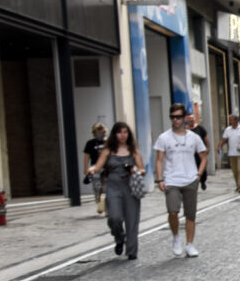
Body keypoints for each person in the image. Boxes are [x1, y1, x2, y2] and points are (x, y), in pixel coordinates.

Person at [154, 103, 207, 257]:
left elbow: (204, 157)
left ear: (184, 118)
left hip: (190, 179)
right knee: (173, 211)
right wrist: (159, 179)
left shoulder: (194, 137)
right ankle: (176, 236)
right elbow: (159, 160)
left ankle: (190, 244)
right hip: (171, 180)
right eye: (172, 117)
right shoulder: (164, 137)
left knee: (191, 215)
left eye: (178, 117)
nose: (175, 120)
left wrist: (198, 175)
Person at [86, 122, 143, 259]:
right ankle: (119, 238)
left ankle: (131, 251)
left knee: (132, 220)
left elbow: (141, 168)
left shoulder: (133, 149)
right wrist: (92, 169)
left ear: (128, 134)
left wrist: (138, 171)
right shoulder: (108, 150)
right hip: (113, 186)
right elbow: (98, 166)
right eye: (119, 132)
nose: (122, 135)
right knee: (114, 217)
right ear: (114, 134)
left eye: (125, 132)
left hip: (130, 186)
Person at [217, 114, 240, 193]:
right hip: (232, 153)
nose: (229, 121)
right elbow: (224, 139)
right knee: (235, 171)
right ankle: (238, 186)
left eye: (231, 120)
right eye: (229, 120)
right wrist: (219, 146)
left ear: (236, 120)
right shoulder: (228, 129)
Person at [82, 122, 106, 212]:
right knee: (97, 187)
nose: (101, 134)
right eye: (98, 132)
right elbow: (86, 156)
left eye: (102, 132)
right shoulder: (90, 143)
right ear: (94, 133)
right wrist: (85, 168)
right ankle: (100, 204)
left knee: (107, 187)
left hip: (107, 167)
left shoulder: (107, 142)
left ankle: (108, 206)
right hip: (95, 168)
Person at [186, 114, 210, 190]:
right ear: (187, 121)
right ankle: (193, 182)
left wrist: (207, 148)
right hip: (191, 153)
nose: (191, 120)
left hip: (200, 151)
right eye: (189, 119)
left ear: (194, 119)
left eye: (192, 119)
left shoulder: (200, 129)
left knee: (202, 166)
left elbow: (206, 139)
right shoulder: (186, 129)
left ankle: (203, 181)